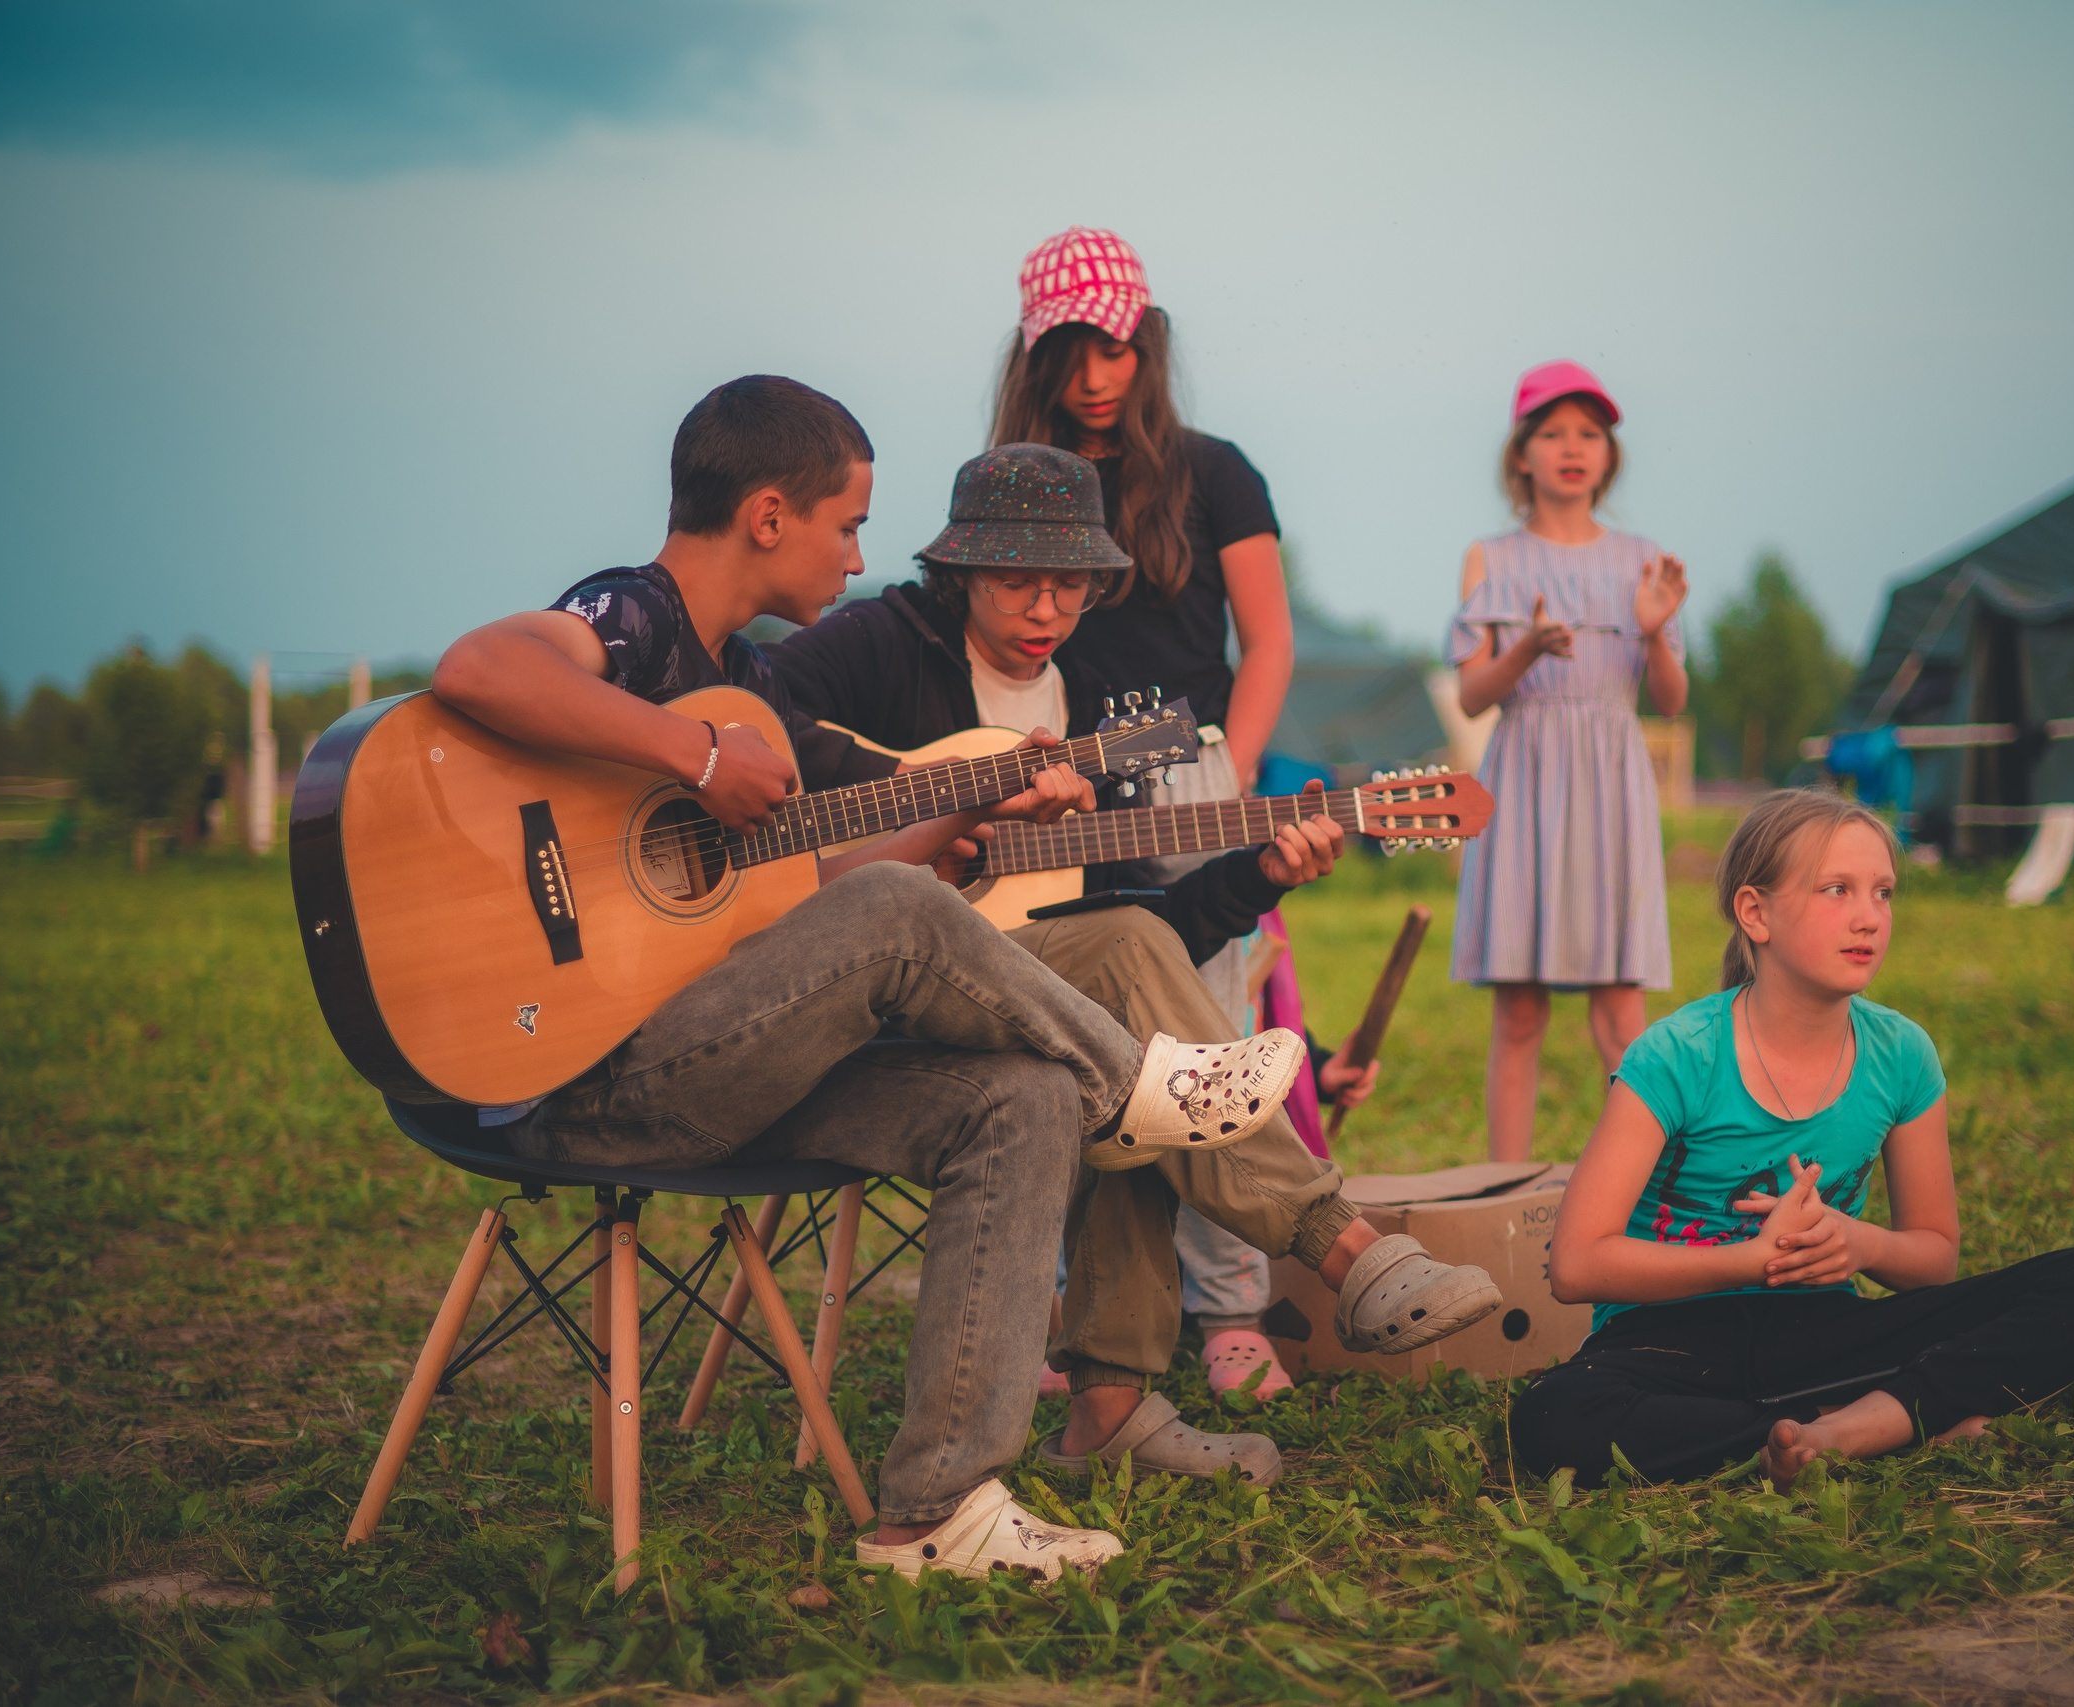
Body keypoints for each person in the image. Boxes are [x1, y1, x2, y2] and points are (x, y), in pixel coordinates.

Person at [431, 375, 1312, 1582]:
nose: (859, 556)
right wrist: (690, 751)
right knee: (903, 918)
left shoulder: (747, 674)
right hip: (586, 1072)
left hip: (728, 1051)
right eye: (848, 525)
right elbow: (479, 669)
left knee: (1020, 1096)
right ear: (769, 515)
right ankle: (1140, 1087)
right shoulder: (633, 619)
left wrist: (954, 821)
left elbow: (806, 892)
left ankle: (937, 1512)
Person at [767, 442, 1502, 1486]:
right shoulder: (883, 646)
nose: (1046, 611)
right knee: (1141, 1036)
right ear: (964, 572)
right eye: (1019, 581)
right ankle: (1342, 1247)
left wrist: (1263, 873)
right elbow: (744, 717)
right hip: (852, 987)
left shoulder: (1086, 709)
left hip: (1017, 999)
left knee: (1139, 1072)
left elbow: (1139, 919)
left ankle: (1105, 1416)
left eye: (1070, 586)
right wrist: (938, 807)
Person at [1509, 789, 2074, 1488]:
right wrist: (1756, 1260)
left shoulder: (1902, 1054)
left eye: (1883, 893)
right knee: (1551, 1416)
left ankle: (1853, 1426)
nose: (1869, 916)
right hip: (1669, 1341)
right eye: (1836, 890)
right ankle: (1860, 1428)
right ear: (1756, 913)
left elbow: (1932, 1259)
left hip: (1826, 1335)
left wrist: (1856, 1242)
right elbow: (1577, 1264)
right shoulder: (1676, 1055)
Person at [988, 226, 1301, 1381]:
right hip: (1047, 789)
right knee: (1065, 1046)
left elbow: (1266, 641)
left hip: (1193, 781)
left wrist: (1238, 786)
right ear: (1038, 357)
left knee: (1211, 1042)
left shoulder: (1216, 471)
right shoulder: (1013, 483)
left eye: (1119, 346)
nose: (1100, 375)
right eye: (1075, 350)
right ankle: (1072, 1314)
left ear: (1147, 342)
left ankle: (1229, 1316)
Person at [1450, 360, 1691, 1162]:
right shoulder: (1490, 557)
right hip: (1523, 779)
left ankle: (1653, 1186)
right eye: (1551, 432)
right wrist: (1524, 650)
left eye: (1589, 433)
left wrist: (1657, 629)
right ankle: (1505, 1190)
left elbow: (1670, 699)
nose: (1571, 448)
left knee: (1623, 1012)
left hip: (1612, 781)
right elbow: (1475, 697)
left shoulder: (1643, 558)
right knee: (1518, 1010)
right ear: (1521, 454)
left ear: (1610, 454)